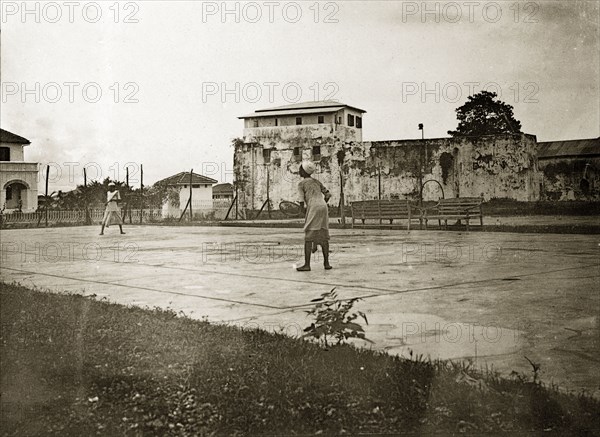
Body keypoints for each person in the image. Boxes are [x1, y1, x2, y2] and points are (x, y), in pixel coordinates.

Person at [296, 161, 332, 271]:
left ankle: (307, 265)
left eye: (300, 169)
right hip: (323, 207)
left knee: (308, 237)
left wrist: (302, 210)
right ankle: (326, 263)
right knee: (323, 234)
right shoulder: (316, 181)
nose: (299, 171)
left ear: (303, 171)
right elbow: (328, 194)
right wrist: (323, 203)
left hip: (314, 207)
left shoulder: (301, 184)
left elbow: (301, 200)